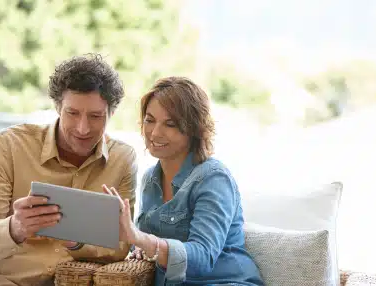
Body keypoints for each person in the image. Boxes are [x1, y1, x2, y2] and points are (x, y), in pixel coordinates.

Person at [0, 54, 137, 286]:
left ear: (111, 114)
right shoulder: (8, 146)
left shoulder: (122, 160)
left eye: (96, 116)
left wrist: (76, 243)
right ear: (58, 107)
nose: (83, 128)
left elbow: (120, 244)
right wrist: (15, 227)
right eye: (72, 113)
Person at [103, 77, 264, 285]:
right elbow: (144, 244)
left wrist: (143, 240)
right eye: (149, 120)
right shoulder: (150, 179)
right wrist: (136, 246)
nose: (155, 132)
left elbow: (203, 256)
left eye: (170, 124)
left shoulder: (213, 178)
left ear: (194, 129)